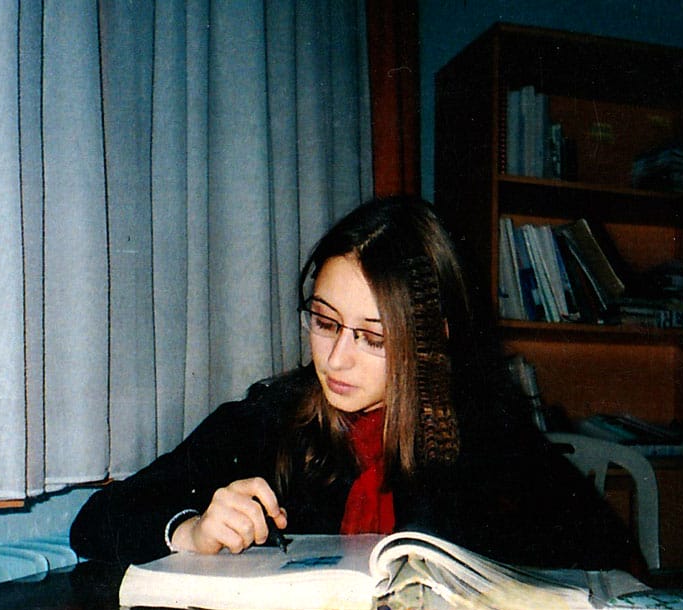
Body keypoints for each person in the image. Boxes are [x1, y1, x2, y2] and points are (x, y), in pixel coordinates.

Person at [70, 196, 635, 571]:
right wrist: (190, 532)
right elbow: (96, 522)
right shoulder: (271, 418)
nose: (337, 360)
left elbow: (613, 564)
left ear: (430, 339)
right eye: (324, 322)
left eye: (373, 337)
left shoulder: (488, 434)